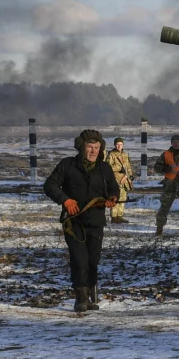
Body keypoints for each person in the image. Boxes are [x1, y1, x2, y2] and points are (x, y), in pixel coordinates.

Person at [43, 129, 120, 313]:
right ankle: (81, 299)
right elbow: (50, 185)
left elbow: (114, 189)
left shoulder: (104, 168)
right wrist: (66, 200)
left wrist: (112, 198)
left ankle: (91, 295)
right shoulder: (67, 165)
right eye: (89, 147)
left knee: (93, 260)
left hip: (96, 222)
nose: (93, 151)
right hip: (74, 223)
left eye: (96, 147)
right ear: (81, 147)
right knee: (79, 260)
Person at [105, 137, 135, 224]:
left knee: (123, 198)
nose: (119, 146)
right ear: (114, 145)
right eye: (117, 144)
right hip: (115, 180)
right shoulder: (111, 154)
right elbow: (108, 167)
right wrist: (119, 168)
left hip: (125, 179)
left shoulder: (125, 154)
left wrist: (130, 175)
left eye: (121, 144)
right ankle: (114, 217)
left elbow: (128, 166)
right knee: (116, 198)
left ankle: (120, 216)